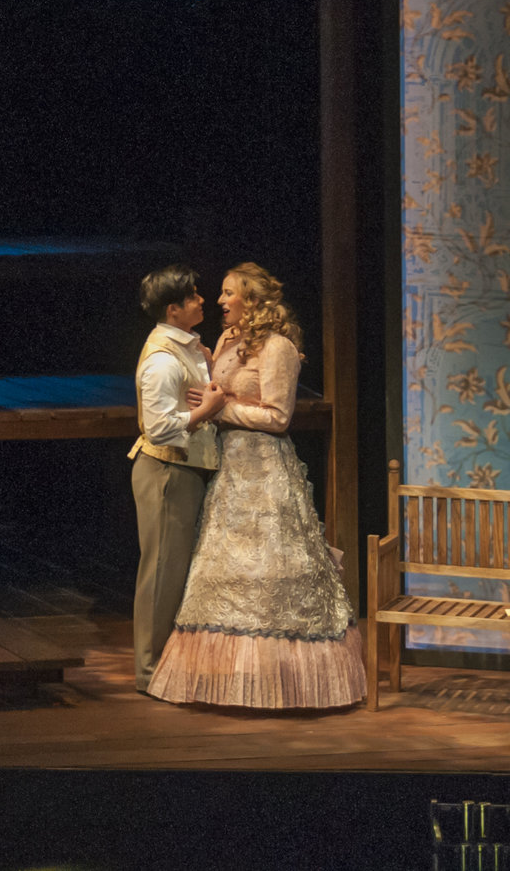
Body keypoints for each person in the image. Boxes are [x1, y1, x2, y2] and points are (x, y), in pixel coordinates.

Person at [148, 262, 365, 709]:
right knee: (221, 572)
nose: (220, 301)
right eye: (222, 293)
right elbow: (210, 389)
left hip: (265, 472)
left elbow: (279, 417)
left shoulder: (278, 347)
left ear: (253, 300)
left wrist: (219, 408)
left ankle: (281, 681)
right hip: (228, 470)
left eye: (229, 293)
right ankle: (224, 679)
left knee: (271, 571)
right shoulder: (227, 341)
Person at [128, 264, 219, 696]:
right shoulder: (162, 360)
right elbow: (158, 427)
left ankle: (165, 665)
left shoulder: (187, 347)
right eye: (194, 296)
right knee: (161, 571)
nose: (202, 301)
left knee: (174, 571)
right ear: (173, 309)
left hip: (184, 469)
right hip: (166, 470)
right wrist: (208, 410)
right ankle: (149, 672)